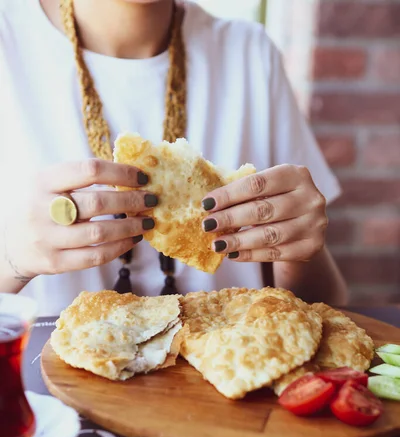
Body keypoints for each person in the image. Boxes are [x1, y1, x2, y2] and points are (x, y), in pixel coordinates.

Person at [0, 0, 348, 317]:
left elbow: (330, 306)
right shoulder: (9, 44)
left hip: (227, 375)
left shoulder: (249, 53)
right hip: (42, 382)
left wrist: (298, 253)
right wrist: (12, 259)